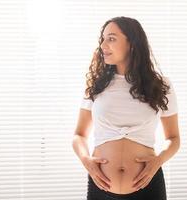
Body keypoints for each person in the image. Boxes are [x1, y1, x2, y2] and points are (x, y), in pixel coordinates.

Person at [72, 16, 180, 200]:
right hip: (101, 187)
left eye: (111, 38)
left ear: (132, 43)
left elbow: (174, 138)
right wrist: (86, 161)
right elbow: (79, 135)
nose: (103, 45)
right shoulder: (96, 85)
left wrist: (158, 161)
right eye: (103, 39)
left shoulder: (160, 85)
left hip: (148, 187)